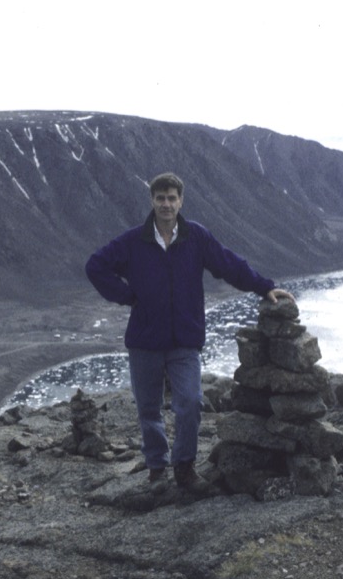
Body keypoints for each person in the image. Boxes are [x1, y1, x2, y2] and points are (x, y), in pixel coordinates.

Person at [85, 172, 294, 487]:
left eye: (172, 198)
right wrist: (127, 295)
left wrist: (264, 288)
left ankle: (184, 466)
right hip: (145, 339)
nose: (166, 204)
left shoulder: (196, 237)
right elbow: (95, 266)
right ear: (152, 201)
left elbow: (229, 265)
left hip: (185, 339)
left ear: (180, 201)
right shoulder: (133, 241)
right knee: (149, 409)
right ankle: (157, 467)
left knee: (191, 402)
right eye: (160, 198)